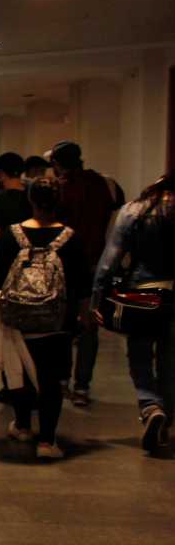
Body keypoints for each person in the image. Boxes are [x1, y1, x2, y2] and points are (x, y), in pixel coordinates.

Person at [0, 178, 91, 459]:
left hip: (18, 319)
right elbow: (82, 283)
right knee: (51, 380)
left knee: (18, 373)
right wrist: (84, 315)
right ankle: (47, 441)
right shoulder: (70, 237)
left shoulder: (13, 235)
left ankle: (22, 425)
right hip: (57, 321)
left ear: (31, 200)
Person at [93, 170, 175, 452]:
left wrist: (98, 297)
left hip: (143, 293)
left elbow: (110, 260)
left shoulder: (135, 210)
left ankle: (151, 406)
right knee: (169, 359)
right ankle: (167, 419)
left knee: (139, 356)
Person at [52, 141, 124, 406]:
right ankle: (82, 387)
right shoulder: (107, 185)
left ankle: (61, 382)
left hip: (64, 266)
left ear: (57, 164)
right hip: (96, 265)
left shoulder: (59, 189)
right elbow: (115, 225)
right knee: (88, 326)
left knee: (62, 325)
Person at [0, 152, 33, 403]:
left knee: (8, 333)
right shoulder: (33, 200)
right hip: (34, 272)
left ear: (0, 174)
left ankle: (12, 386)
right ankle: (33, 383)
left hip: (6, 276)